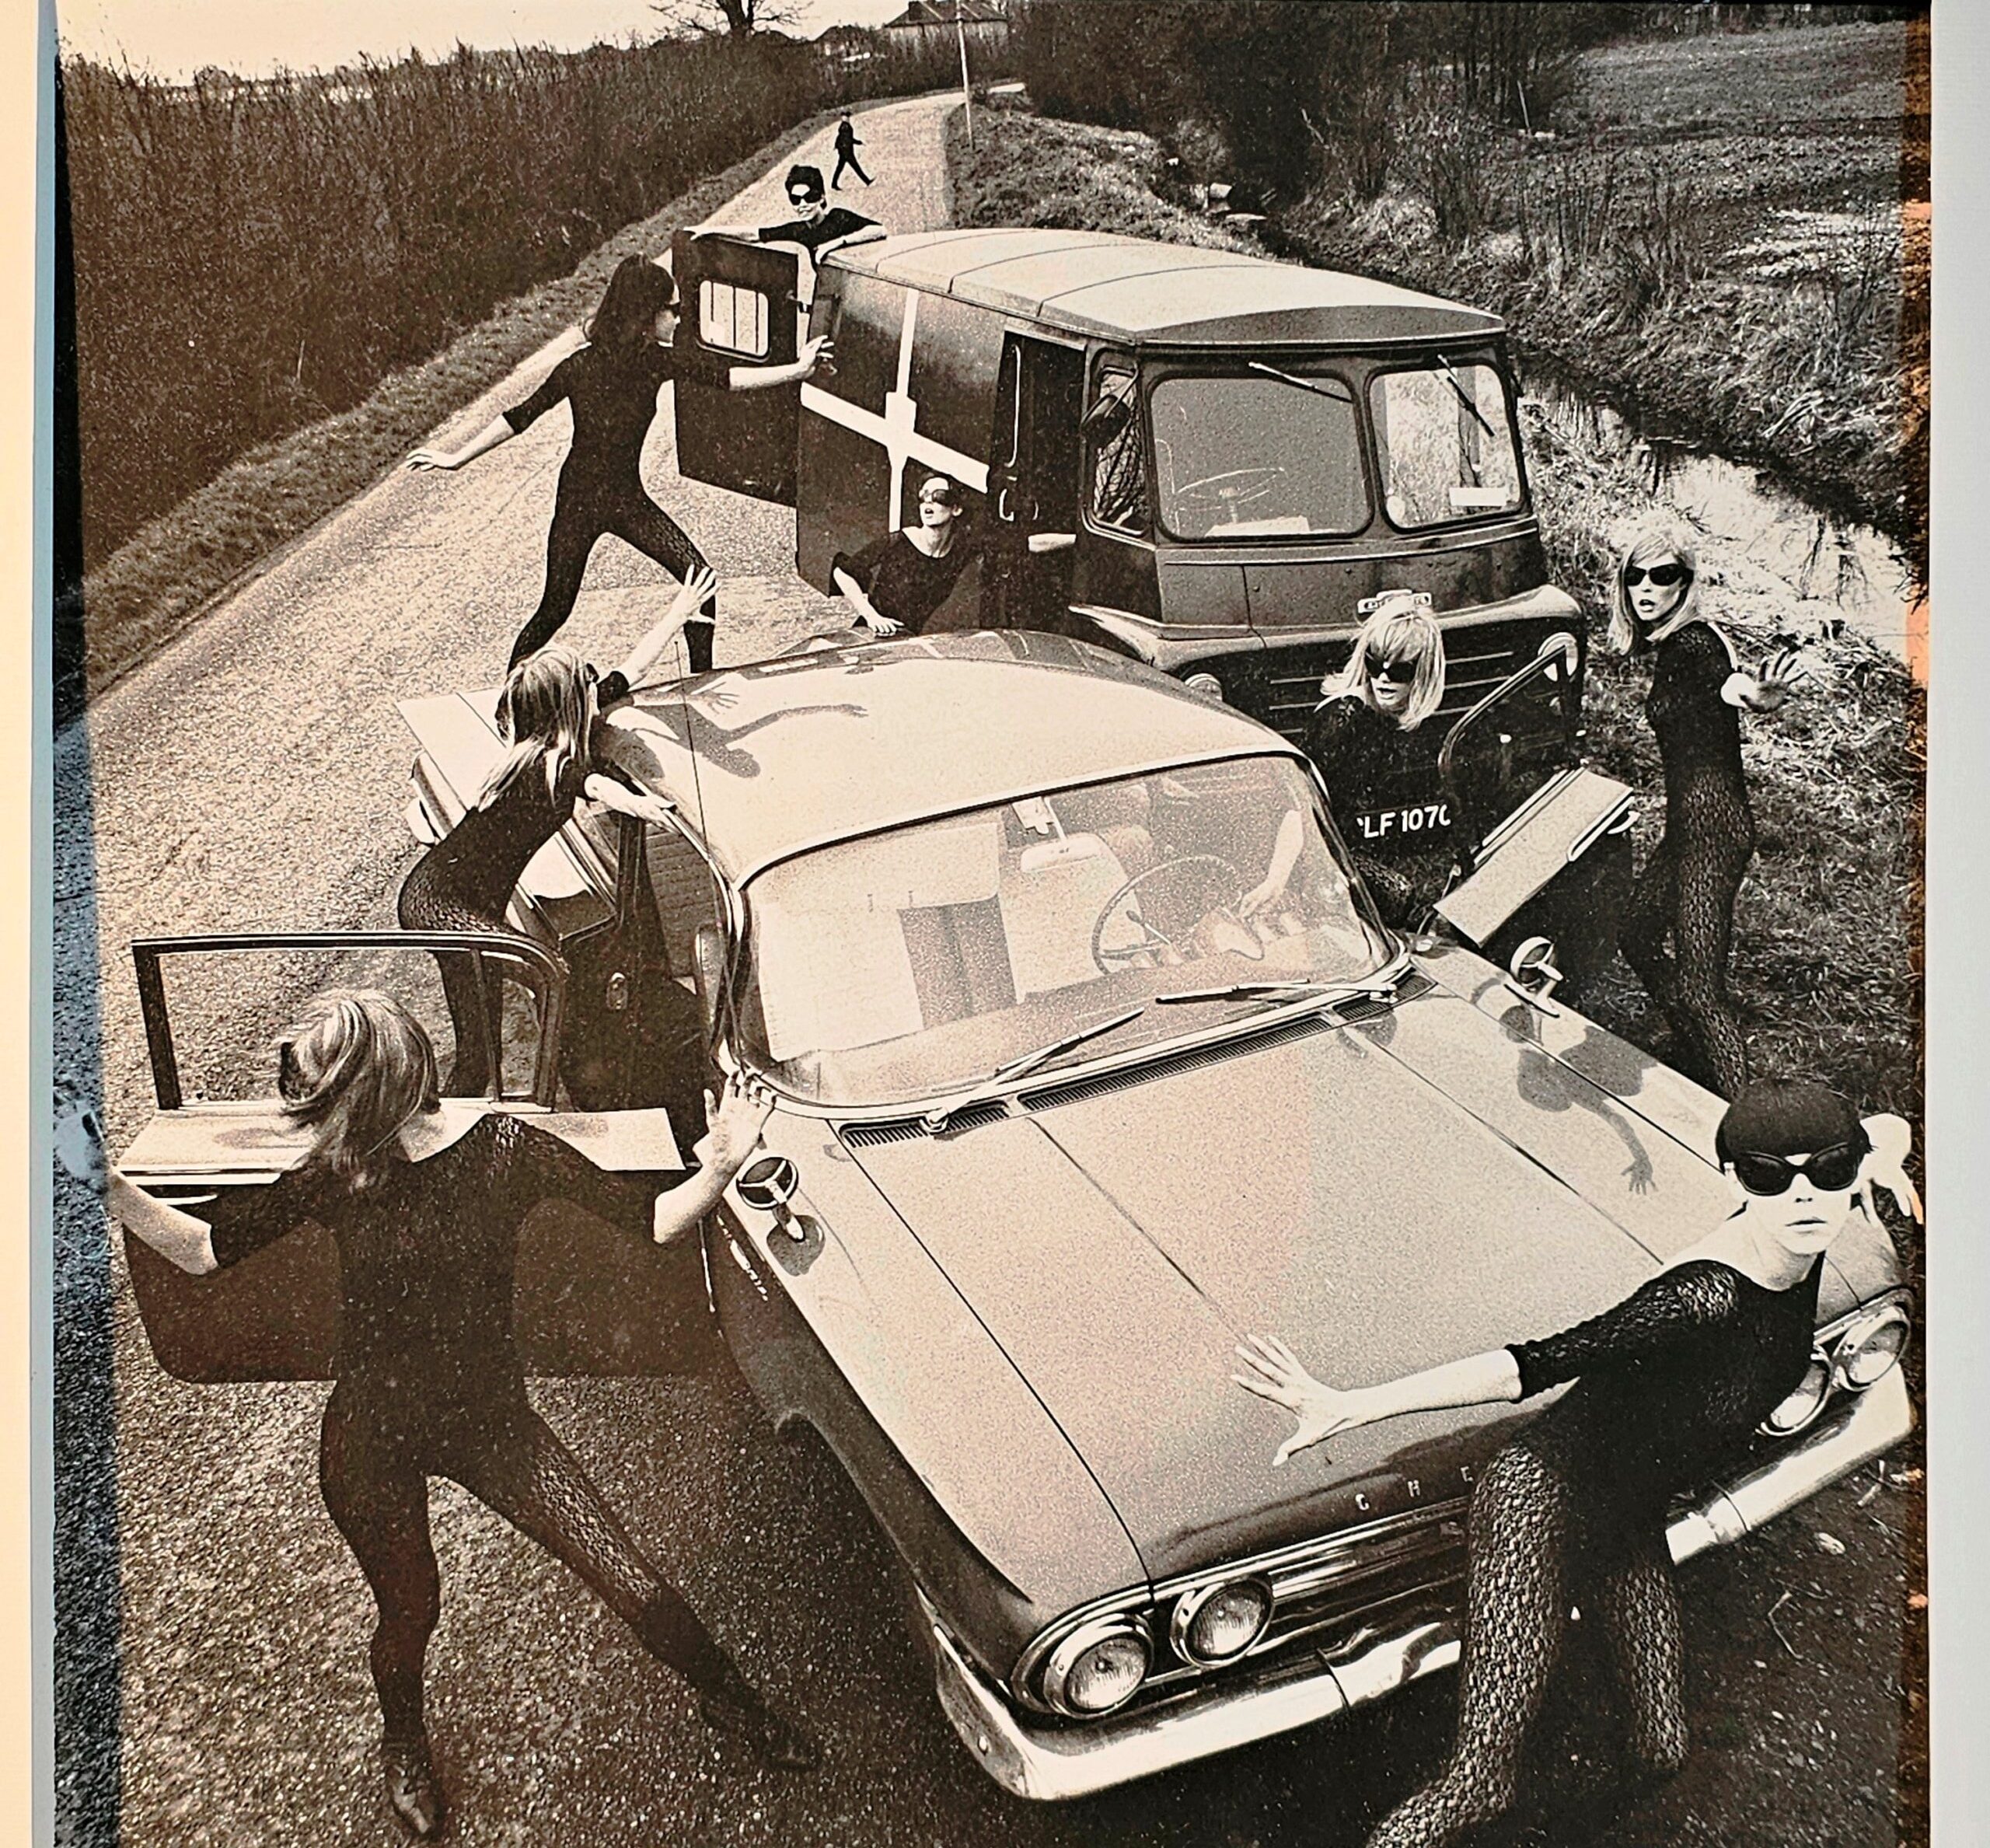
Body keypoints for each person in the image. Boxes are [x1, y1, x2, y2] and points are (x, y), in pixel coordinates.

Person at [58, 1000, 815, 1842]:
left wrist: (719, 1166)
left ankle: (732, 1699)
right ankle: (404, 1738)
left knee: (628, 1576)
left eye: (314, 1088)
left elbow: (655, 1221)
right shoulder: (340, 1169)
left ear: (370, 1087)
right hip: (372, 1437)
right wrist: (105, 1181)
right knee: (412, 1607)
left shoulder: (504, 1148)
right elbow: (201, 1250)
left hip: (493, 1426)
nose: (301, 1107)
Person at [1234, 1078, 1920, 1848]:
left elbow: (1883, 1130)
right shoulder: (1704, 1297)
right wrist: (1351, 1404)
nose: (1803, 1198)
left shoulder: (1831, 1205)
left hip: (1627, 1513)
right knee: (1478, 1783)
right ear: (1731, 1179)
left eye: (1826, 1171)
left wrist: (1883, 1154)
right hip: (1538, 1502)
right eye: (1768, 1176)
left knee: (1659, 1752)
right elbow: (1530, 1364)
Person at [406, 256, 830, 673]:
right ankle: (513, 698)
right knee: (555, 607)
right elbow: (519, 416)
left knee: (701, 581)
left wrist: (797, 370)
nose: (681, 319)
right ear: (648, 314)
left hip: (625, 498)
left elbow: (728, 378)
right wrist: (455, 458)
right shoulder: (588, 365)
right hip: (579, 502)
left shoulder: (651, 361)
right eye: (675, 310)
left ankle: (701, 679)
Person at [396, 570, 714, 1096]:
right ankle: (552, 1091)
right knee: (550, 973)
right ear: (571, 704)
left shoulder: (552, 741)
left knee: (480, 1043)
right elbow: (594, 787)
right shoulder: (545, 767)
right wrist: (647, 806)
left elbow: (632, 667)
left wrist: (680, 610)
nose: (598, 687)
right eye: (588, 684)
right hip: (440, 903)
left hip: (452, 897)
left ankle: (470, 1100)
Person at [1609, 524, 1807, 1098]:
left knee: (1700, 990)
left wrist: (1759, 697)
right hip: (1691, 826)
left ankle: (1746, 1121)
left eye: (1663, 576)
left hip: (1713, 830)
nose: (1646, 588)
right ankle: (1695, 1051)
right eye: (1636, 575)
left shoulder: (1694, 643)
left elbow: (1730, 686)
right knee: (1636, 932)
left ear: (1685, 583)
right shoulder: (1672, 644)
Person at [1303, 592, 1457, 927]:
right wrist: (1276, 879)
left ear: (1424, 671)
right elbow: (1301, 806)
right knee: (1401, 893)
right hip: (1333, 857)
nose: (1384, 677)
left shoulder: (1418, 721)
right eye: (1376, 663)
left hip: (1390, 849)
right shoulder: (1343, 718)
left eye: (1400, 669)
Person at [829, 473, 980, 638]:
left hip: (908, 639)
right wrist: (871, 616)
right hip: (873, 634)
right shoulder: (900, 541)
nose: (928, 501)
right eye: (924, 495)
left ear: (956, 509)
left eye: (939, 496)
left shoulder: (959, 552)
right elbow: (842, 571)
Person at [698, 164, 885, 272]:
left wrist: (834, 244)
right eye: (796, 200)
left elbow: (879, 230)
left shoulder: (838, 217)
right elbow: (755, 234)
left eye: (809, 197)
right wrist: (710, 230)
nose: (803, 205)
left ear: (821, 197)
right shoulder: (800, 231)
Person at [830, 113, 873, 189]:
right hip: (847, 152)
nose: (848, 119)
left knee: (840, 168)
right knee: (855, 167)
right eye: (847, 117)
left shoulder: (843, 126)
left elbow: (840, 137)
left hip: (844, 151)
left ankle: (834, 184)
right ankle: (866, 181)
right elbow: (848, 139)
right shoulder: (846, 127)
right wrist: (858, 142)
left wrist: (837, 146)